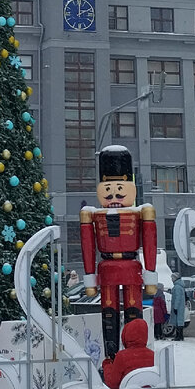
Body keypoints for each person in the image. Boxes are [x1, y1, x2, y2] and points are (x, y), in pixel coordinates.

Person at [80, 146, 158, 357]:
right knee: (108, 314)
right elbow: (88, 244)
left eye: (120, 188)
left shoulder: (140, 212)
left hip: (131, 267)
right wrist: (90, 277)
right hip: (107, 269)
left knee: (134, 311)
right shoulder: (93, 215)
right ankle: (111, 356)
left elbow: (150, 241)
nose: (114, 194)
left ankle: (135, 353)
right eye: (108, 188)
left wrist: (150, 275)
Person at [168, 276, 186, 341]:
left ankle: (179, 336)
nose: (171, 279)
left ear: (175, 278)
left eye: (172, 278)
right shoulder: (180, 286)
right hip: (180, 307)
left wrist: (175, 307)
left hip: (178, 307)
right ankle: (180, 336)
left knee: (178, 321)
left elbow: (177, 298)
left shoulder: (177, 287)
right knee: (179, 321)